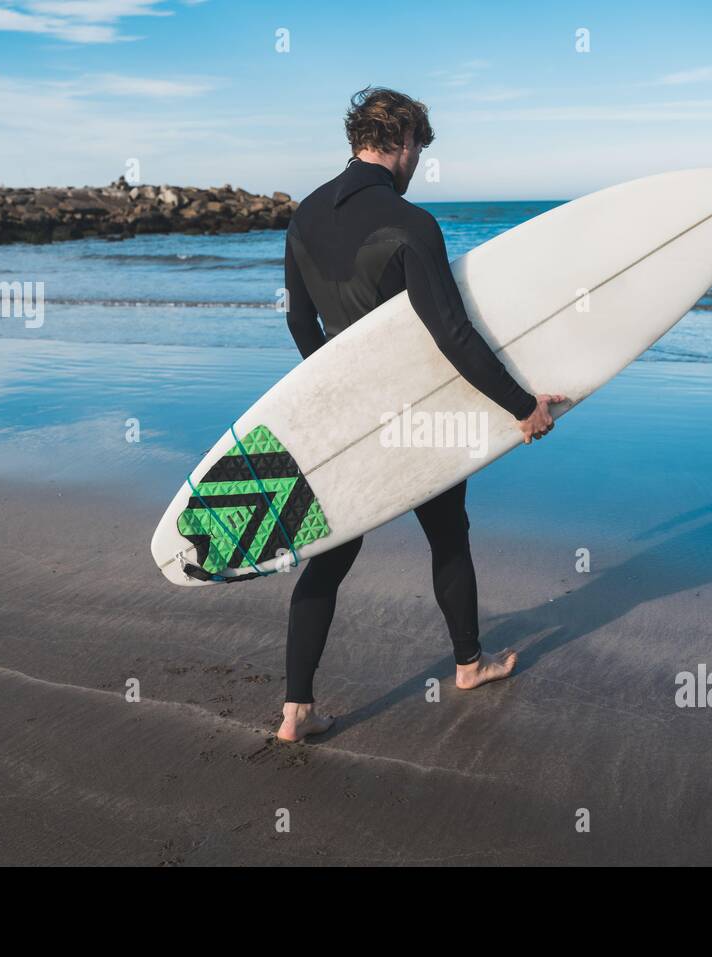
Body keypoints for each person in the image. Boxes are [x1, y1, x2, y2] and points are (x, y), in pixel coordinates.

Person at [278, 87, 564, 742]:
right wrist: (524, 408)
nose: (417, 166)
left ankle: (295, 710)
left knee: (332, 550)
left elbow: (299, 319)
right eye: (419, 151)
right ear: (402, 140)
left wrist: (330, 388)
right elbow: (453, 336)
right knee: (447, 533)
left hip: (348, 415)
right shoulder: (412, 224)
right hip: (416, 415)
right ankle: (469, 663)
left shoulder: (302, 217)